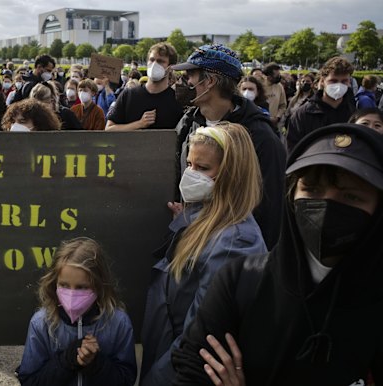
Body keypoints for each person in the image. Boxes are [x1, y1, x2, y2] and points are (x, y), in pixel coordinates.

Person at [171, 123, 383, 385]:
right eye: (312, 190)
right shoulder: (241, 279)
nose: (326, 206)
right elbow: (192, 368)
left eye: (351, 196)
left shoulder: (236, 243)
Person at [140, 123, 266, 385]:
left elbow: (198, 334)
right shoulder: (205, 216)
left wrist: (155, 379)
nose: (191, 174)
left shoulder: (236, 242)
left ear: (232, 175)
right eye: (189, 164)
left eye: (203, 168)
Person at [173, 44, 286, 250]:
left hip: (231, 251)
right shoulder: (189, 123)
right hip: (190, 240)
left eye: (190, 76)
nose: (184, 82)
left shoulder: (260, 137)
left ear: (210, 82)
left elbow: (270, 208)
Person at [17, 237, 137, 385]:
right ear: (54, 283)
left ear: (99, 285)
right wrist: (67, 360)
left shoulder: (118, 322)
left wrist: (96, 363)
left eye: (82, 287)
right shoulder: (41, 322)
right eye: (64, 285)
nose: (72, 295)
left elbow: (127, 380)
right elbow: (29, 381)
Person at [106, 42, 183, 131]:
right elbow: (109, 129)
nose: (154, 64)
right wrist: (139, 124)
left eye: (160, 61)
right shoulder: (128, 95)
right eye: (152, 60)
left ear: (171, 67)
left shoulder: (177, 100)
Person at [287, 57, 356, 153]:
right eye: (333, 81)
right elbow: (293, 150)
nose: (339, 86)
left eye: (344, 81)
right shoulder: (302, 115)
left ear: (349, 82)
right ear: (323, 81)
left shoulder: (355, 115)